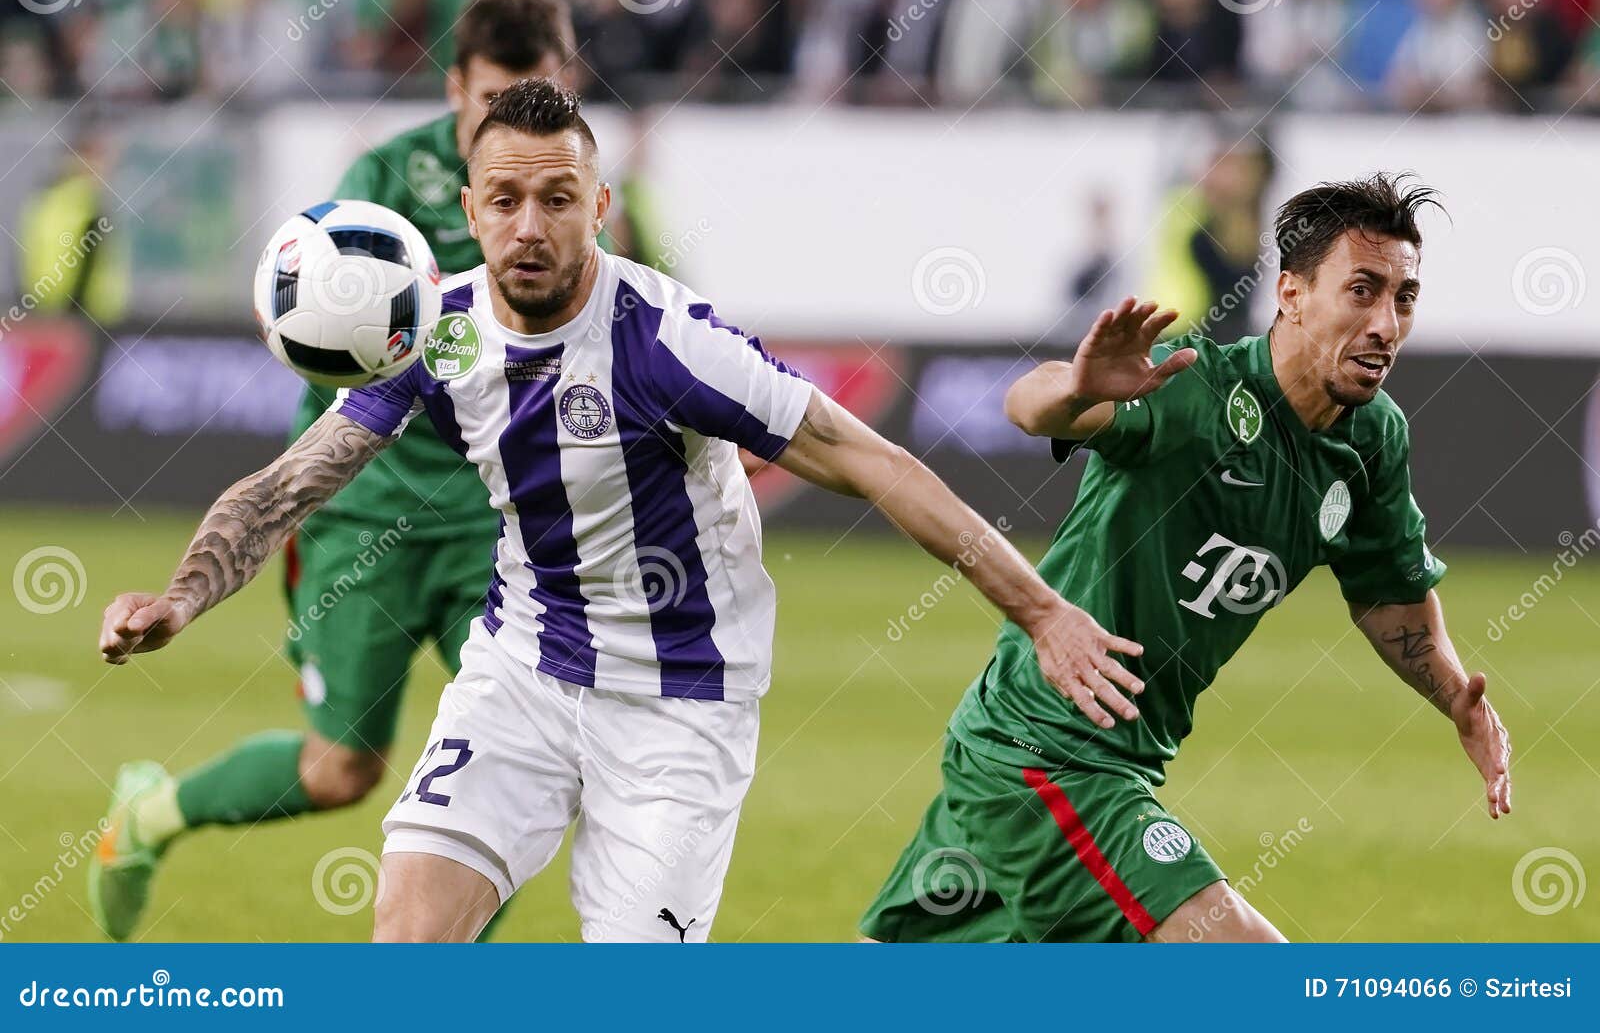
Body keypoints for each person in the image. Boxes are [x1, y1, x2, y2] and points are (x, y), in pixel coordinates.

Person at [95, 77, 1146, 943]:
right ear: (468, 214)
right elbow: (292, 481)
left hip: (679, 706)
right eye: (504, 200)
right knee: (407, 938)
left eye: (558, 198)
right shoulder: (444, 330)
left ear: (598, 207)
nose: (530, 226)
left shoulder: (664, 339)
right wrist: (180, 598)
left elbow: (869, 461)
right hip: (520, 672)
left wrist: (1040, 610)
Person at [861, 173, 1513, 943]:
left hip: (1066, 761)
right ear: (1293, 295)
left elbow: (1389, 598)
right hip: (1048, 760)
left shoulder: (1371, 438)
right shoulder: (1194, 390)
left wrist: (1455, 698)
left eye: (1404, 297)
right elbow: (1025, 403)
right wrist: (1075, 388)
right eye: (1362, 290)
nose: (1385, 323)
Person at [88, 0, 578, 941]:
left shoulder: (579, 187)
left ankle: (433, 963)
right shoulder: (389, 180)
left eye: (541, 97)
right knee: (339, 771)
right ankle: (150, 815)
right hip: (369, 514)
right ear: (456, 91)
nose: (517, 126)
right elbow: (334, 347)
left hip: (499, 520)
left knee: (537, 762)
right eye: (495, 102)